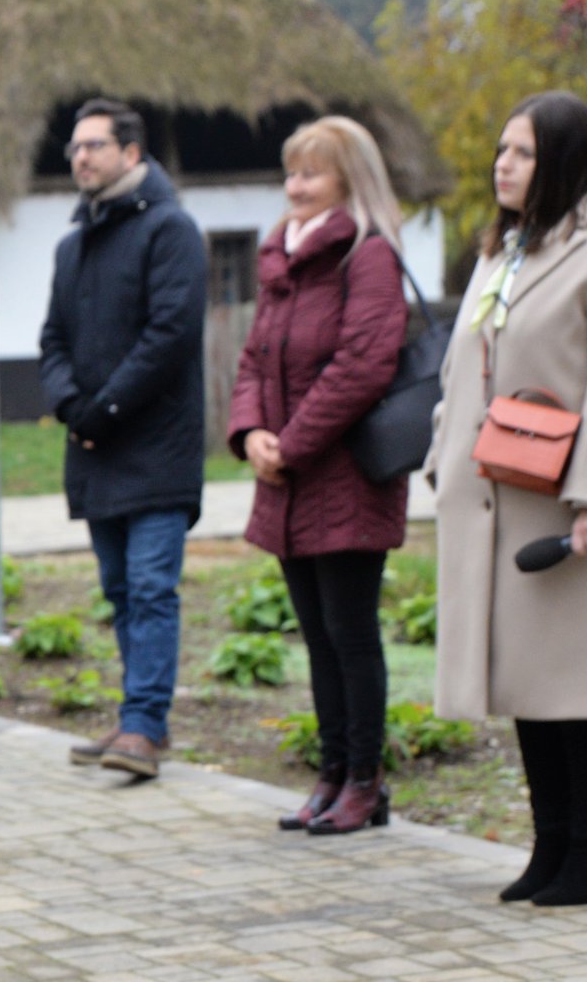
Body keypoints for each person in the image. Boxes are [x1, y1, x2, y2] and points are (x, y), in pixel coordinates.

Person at [429, 91, 587, 906]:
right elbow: (466, 369)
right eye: (501, 149)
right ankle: (556, 841)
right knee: (531, 681)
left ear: (564, 158)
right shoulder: (509, 252)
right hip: (501, 500)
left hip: (568, 507)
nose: (503, 163)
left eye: (523, 152)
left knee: (580, 683)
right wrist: (442, 454)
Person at [227, 116, 409, 834]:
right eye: (290, 171)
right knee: (318, 634)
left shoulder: (367, 256)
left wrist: (290, 443)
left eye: (310, 172)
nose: (294, 185)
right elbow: (252, 358)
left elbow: (364, 363)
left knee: (351, 632)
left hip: (346, 476)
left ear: (348, 179)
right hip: (288, 479)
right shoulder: (282, 256)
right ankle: (332, 773)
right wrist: (251, 435)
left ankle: (365, 780)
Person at [39, 98, 207, 780]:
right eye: (75, 148)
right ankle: (137, 719)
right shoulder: (72, 243)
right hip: (95, 448)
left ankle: (144, 723)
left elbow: (169, 333)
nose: (81, 157)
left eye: (95, 146)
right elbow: (51, 339)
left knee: (150, 586)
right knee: (117, 589)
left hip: (156, 446)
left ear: (131, 154)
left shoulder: (172, 231)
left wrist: (102, 408)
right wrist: (71, 404)